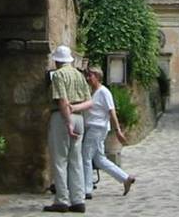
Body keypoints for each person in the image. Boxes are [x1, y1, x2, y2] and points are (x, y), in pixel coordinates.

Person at [45, 45, 93, 213]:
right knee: (76, 160)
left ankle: (62, 199)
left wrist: (68, 121)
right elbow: (90, 102)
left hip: (62, 117)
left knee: (60, 160)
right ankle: (78, 199)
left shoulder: (58, 75)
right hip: (79, 117)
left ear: (57, 61)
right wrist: (75, 109)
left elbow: (62, 100)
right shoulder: (79, 75)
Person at [82, 66, 136, 199]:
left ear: (97, 77)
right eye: (87, 75)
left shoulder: (104, 92)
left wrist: (118, 130)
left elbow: (112, 112)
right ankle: (125, 178)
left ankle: (86, 189)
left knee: (85, 157)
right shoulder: (93, 92)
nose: (88, 78)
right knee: (99, 159)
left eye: (90, 76)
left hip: (97, 127)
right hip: (94, 127)